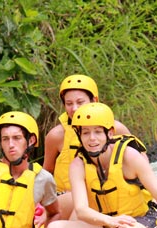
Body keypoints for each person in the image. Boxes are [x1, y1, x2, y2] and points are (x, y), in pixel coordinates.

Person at [46, 103, 157, 228]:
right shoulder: (77, 165)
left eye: (98, 132)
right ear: (79, 135)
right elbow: (81, 210)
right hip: (106, 223)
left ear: (110, 133)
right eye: (85, 132)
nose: (91, 138)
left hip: (139, 220)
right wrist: (110, 221)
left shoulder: (129, 157)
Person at [43, 74, 133, 218]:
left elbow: (141, 167)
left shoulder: (115, 129)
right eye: (69, 103)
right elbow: (45, 174)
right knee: (76, 198)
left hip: (106, 193)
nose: (74, 109)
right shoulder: (56, 136)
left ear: (94, 100)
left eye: (80, 102)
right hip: (68, 198)